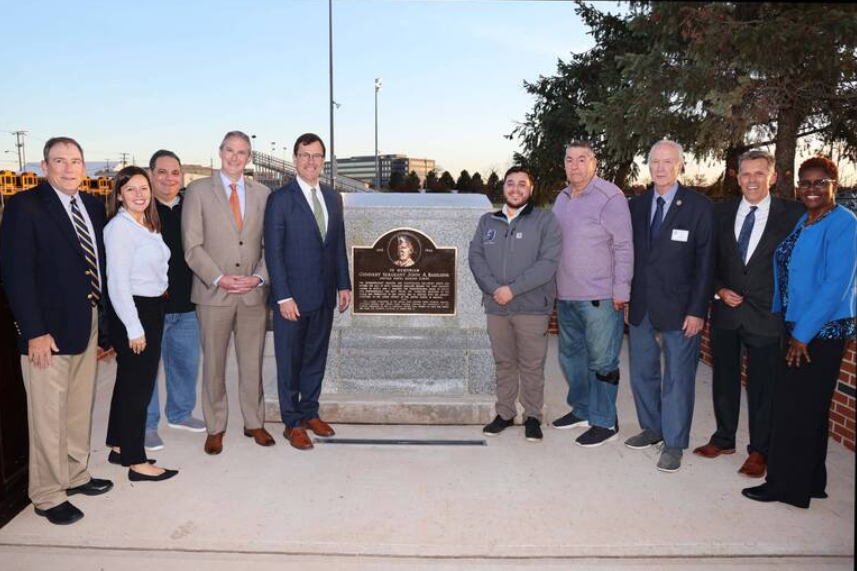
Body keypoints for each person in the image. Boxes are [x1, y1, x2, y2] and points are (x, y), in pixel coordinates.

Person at [0, 137, 114, 524]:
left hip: (87, 321)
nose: (69, 168)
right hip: (46, 331)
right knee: (48, 415)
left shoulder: (93, 206)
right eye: (60, 161)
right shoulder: (25, 206)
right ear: (44, 166)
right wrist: (33, 330)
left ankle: (74, 473)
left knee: (78, 407)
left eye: (76, 161)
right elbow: (16, 274)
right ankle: (47, 494)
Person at [743, 156, 856, 508]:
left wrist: (802, 334)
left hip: (818, 334)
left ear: (834, 183)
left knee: (792, 411)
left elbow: (836, 284)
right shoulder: (807, 220)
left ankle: (784, 487)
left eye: (819, 182)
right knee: (810, 411)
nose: (811, 189)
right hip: (797, 325)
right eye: (805, 183)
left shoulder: (844, 223)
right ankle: (812, 481)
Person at [693, 150, 803, 478]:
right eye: (745, 174)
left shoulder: (793, 214)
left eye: (759, 174)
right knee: (724, 380)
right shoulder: (720, 213)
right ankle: (724, 438)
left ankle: (759, 451)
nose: (751, 180)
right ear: (736, 177)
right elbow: (705, 261)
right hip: (726, 312)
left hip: (768, 315)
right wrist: (718, 289)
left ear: (773, 177)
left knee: (763, 387)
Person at [625, 139, 715, 472]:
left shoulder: (698, 206)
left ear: (680, 165)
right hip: (642, 305)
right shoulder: (635, 205)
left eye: (668, 162)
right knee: (642, 373)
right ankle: (652, 428)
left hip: (681, 310)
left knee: (678, 378)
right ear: (648, 166)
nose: (660, 168)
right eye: (655, 162)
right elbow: (628, 255)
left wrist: (697, 310)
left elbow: (706, 263)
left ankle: (674, 443)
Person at [183, 131, 273, 455]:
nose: (236, 157)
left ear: (249, 157)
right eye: (230, 151)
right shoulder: (197, 191)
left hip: (252, 295)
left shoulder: (263, 193)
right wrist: (220, 278)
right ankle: (216, 426)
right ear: (220, 152)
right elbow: (191, 246)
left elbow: (271, 246)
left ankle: (254, 422)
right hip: (213, 294)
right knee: (214, 366)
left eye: (242, 152)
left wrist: (259, 278)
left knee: (252, 363)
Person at [264, 133, 351, 451]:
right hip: (293, 300)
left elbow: (336, 244)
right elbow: (273, 252)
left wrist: (344, 283)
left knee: (315, 357)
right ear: (295, 159)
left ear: (323, 161)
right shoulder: (280, 199)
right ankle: (292, 423)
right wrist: (283, 296)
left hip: (324, 296)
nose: (311, 161)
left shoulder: (332, 197)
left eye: (317, 156)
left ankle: (310, 412)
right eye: (305, 155)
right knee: (289, 360)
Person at [550, 141, 633, 447]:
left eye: (582, 159)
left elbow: (624, 246)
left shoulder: (609, 196)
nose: (575, 165)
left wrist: (622, 289)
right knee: (571, 358)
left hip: (600, 296)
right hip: (567, 295)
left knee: (602, 361)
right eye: (569, 159)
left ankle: (605, 421)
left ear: (594, 163)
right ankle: (582, 409)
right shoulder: (561, 198)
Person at [469, 166, 562, 442]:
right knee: (504, 362)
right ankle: (505, 413)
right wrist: (495, 289)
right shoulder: (488, 221)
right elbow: (476, 258)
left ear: (530, 189)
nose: (516, 189)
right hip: (497, 307)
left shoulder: (546, 221)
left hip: (532, 307)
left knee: (532, 365)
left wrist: (513, 289)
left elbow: (547, 264)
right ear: (503, 187)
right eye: (511, 183)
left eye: (522, 184)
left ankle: (532, 416)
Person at [104, 166, 178, 482]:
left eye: (143, 188)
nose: (139, 194)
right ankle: (137, 462)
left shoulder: (144, 224)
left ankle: (119, 445)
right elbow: (117, 283)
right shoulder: (119, 229)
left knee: (128, 382)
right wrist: (134, 328)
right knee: (139, 388)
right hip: (135, 311)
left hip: (151, 306)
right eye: (131, 189)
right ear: (119, 194)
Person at [142, 150, 205, 452]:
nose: (169, 178)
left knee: (185, 365)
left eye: (175, 172)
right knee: (147, 371)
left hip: (187, 304)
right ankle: (146, 425)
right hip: (150, 307)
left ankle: (180, 413)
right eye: (162, 172)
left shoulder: (189, 208)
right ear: (151, 173)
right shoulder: (138, 208)